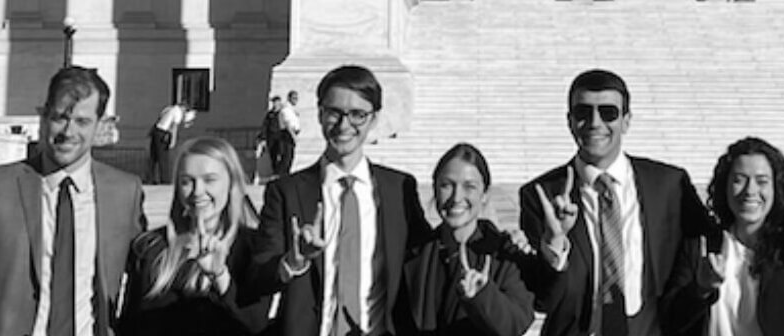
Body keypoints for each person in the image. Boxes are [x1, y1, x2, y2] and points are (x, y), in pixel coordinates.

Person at [0, 66, 148, 336]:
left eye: (82, 121)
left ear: (99, 125)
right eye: (60, 118)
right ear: (44, 116)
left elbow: (146, 270)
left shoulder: (124, 192)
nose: (68, 131)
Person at [517, 69, 715, 336]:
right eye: (583, 112)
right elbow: (544, 299)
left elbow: (714, 241)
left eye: (608, 112)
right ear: (570, 121)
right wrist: (555, 244)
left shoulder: (669, 185)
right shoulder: (541, 196)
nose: (595, 123)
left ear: (626, 121)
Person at [246, 64, 433, 336]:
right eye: (334, 112)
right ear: (320, 114)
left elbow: (428, 256)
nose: (344, 125)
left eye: (358, 114)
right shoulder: (286, 192)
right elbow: (257, 275)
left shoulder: (399, 189)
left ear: (374, 119)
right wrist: (291, 263)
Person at [119, 137, 270, 335]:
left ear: (231, 183)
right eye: (187, 181)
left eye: (210, 180)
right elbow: (130, 325)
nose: (197, 191)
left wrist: (220, 276)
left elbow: (256, 325)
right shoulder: (151, 248)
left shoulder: (254, 248)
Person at [704, 137, 784, 336]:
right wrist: (702, 290)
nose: (750, 191)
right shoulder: (703, 247)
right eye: (739, 180)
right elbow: (672, 319)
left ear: (777, 188)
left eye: (762, 181)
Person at [403, 143, 535, 336]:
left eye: (469, 187)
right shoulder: (415, 254)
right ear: (435, 190)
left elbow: (516, 323)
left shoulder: (505, 254)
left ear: (485, 195)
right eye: (446, 185)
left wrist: (483, 296)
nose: (456, 197)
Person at [149, 101, 196, 185]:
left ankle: (151, 178)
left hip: (156, 131)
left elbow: (159, 119)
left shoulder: (168, 109)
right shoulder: (177, 112)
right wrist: (173, 141)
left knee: (154, 157)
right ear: (183, 108)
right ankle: (165, 180)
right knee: (163, 158)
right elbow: (174, 127)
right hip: (163, 133)